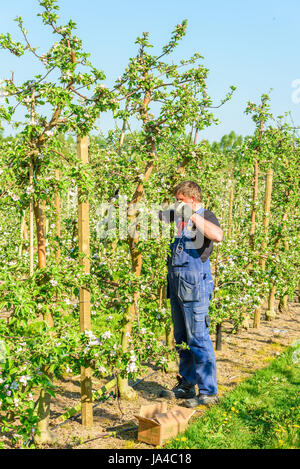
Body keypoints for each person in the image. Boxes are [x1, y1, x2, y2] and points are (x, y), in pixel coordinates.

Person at [159, 180, 223, 408]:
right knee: (182, 339)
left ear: (192, 200)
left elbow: (217, 235)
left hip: (195, 286)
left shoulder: (206, 215)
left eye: (180, 201)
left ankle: (208, 391)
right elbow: (152, 217)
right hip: (176, 286)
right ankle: (186, 385)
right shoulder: (176, 218)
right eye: (175, 201)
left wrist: (193, 215)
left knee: (198, 338)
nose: (176, 205)